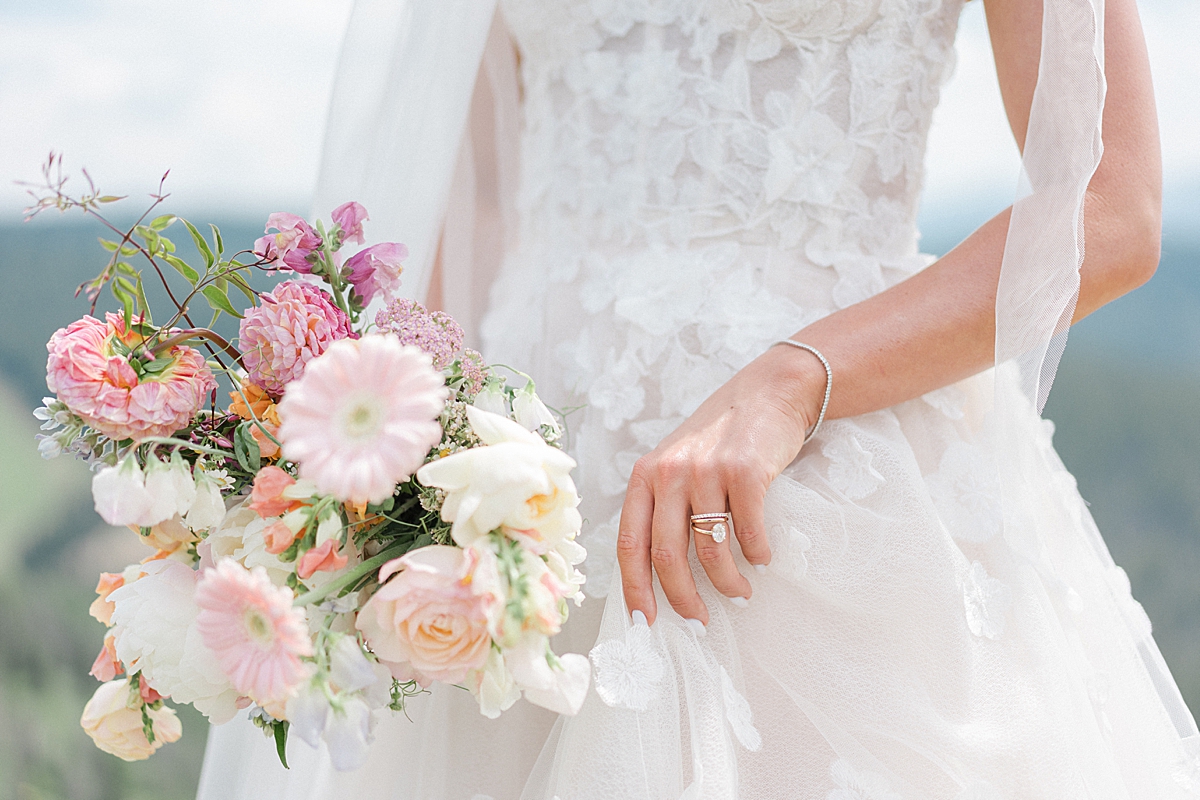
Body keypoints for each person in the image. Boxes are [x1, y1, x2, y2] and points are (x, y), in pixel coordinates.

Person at [197, 0, 1200, 797]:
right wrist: (381, 473)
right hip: (515, 516)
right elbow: (481, 203)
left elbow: (1111, 206)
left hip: (810, 496)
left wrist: (796, 376)